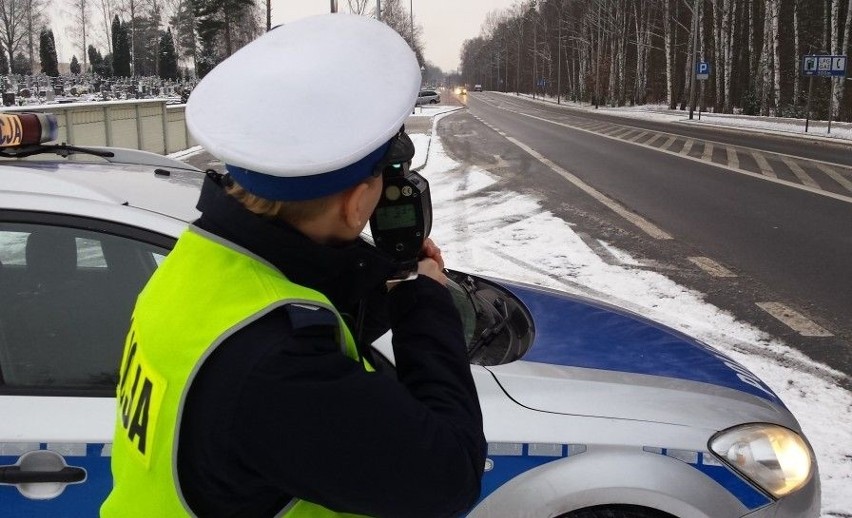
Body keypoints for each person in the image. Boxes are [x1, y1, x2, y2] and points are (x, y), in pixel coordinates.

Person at [101, 13, 486, 518]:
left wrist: (377, 279)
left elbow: (293, 307)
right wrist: (422, 299)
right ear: (354, 204)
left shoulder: (196, 265)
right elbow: (449, 475)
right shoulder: (277, 369)